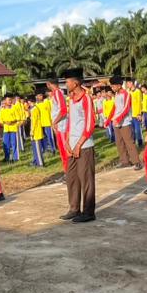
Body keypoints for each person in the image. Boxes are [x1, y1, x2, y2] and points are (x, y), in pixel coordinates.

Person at [60, 68, 97, 222]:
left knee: (86, 179)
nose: (66, 84)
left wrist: (79, 145)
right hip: (72, 144)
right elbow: (70, 122)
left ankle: (88, 212)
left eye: (67, 81)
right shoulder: (71, 98)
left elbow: (90, 124)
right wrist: (67, 142)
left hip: (84, 145)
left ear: (75, 83)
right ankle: (74, 208)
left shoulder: (86, 99)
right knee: (72, 177)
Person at [108, 76, 141, 168]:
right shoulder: (117, 95)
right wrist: (108, 120)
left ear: (119, 85)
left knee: (129, 142)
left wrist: (118, 119)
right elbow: (114, 108)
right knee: (119, 143)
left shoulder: (126, 94)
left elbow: (126, 109)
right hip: (116, 123)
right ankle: (124, 161)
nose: (112, 88)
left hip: (125, 123)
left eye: (113, 86)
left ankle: (136, 162)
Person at [47, 80, 70, 171]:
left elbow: (63, 110)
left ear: (48, 84)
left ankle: (69, 171)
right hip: (59, 125)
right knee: (61, 149)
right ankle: (67, 171)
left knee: (65, 150)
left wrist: (54, 122)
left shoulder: (57, 93)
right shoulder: (56, 93)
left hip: (62, 125)